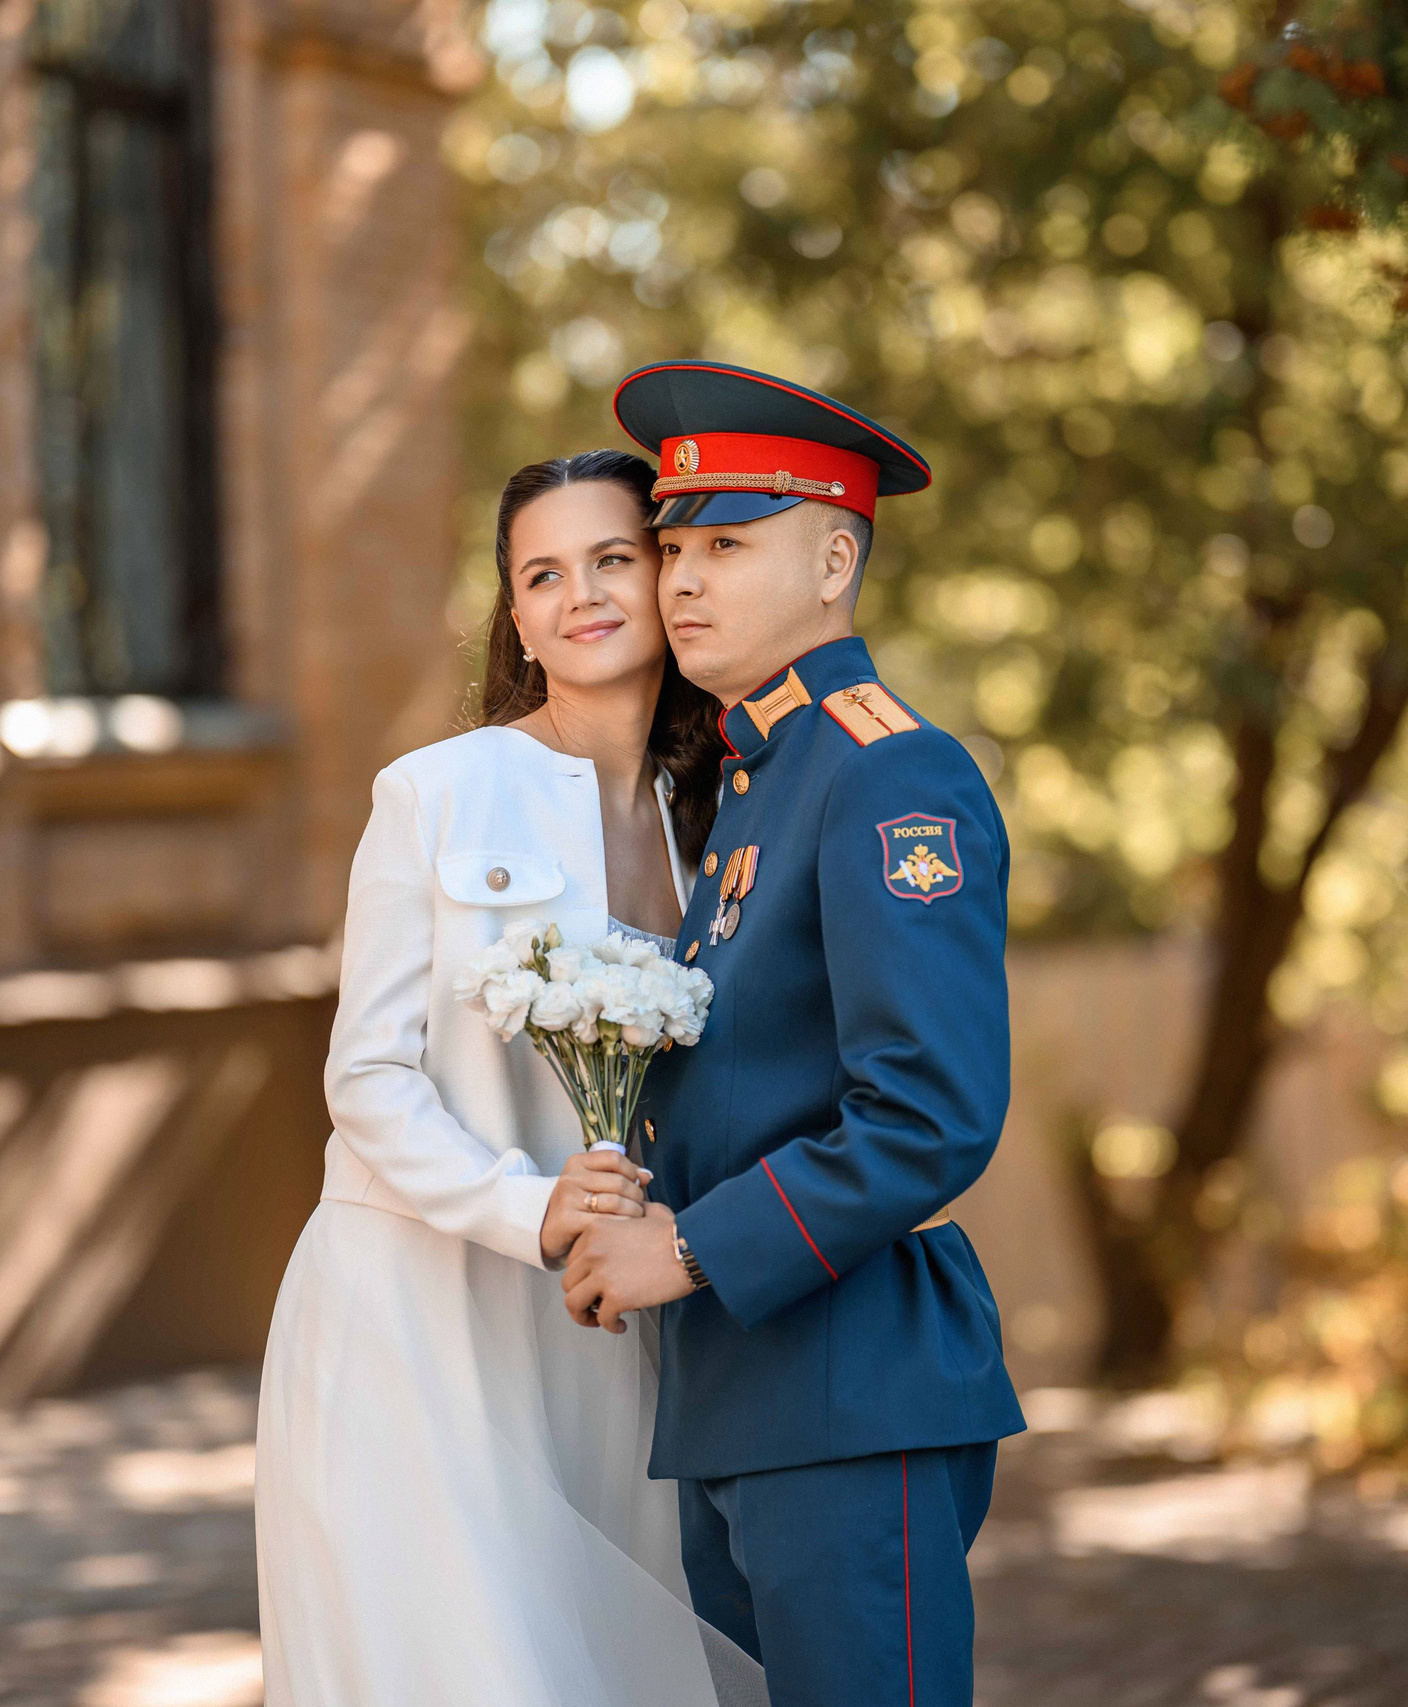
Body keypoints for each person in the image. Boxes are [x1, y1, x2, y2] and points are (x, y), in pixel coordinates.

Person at [253, 450, 766, 1706]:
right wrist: (524, 1206)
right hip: (411, 1315)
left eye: (611, 559)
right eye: (542, 575)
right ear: (518, 619)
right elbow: (366, 1076)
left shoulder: (710, 822)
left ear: (665, 581)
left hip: (595, 1340)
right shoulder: (433, 791)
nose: (579, 593)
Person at [559, 362, 1028, 1707]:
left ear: (836, 557)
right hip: (749, 1391)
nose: (678, 579)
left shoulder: (887, 771)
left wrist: (690, 1243)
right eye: (671, 546)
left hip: (846, 1387)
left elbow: (928, 1109)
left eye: (725, 544)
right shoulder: (760, 779)